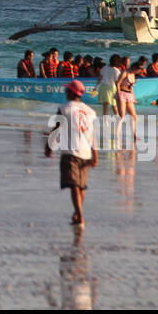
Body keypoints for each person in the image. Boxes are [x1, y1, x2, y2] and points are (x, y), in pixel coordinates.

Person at [44, 80, 98, 225]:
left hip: (70, 152)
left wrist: (49, 146)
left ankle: (80, 216)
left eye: (67, 90)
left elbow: (56, 128)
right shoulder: (90, 111)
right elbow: (92, 135)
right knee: (81, 186)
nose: (65, 92)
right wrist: (95, 155)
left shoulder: (64, 108)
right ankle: (77, 213)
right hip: (86, 153)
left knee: (75, 185)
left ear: (71, 92)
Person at [115, 55, 138, 146]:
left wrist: (134, 97)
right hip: (122, 93)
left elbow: (131, 87)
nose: (138, 72)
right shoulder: (125, 72)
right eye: (137, 70)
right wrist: (119, 94)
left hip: (129, 95)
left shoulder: (133, 74)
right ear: (134, 68)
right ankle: (116, 135)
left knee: (133, 115)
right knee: (122, 115)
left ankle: (134, 134)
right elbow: (117, 83)